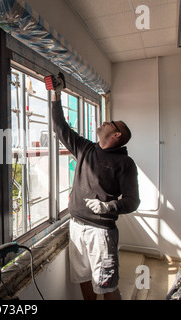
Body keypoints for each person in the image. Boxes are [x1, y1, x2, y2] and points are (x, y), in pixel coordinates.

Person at [51, 80, 140, 300]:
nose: (104, 122)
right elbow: (60, 127)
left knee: (107, 285)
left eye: (110, 123)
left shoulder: (125, 164)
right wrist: (56, 95)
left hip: (100, 233)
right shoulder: (85, 148)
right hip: (76, 226)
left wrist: (107, 206)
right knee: (82, 277)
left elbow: (132, 201)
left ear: (117, 135)